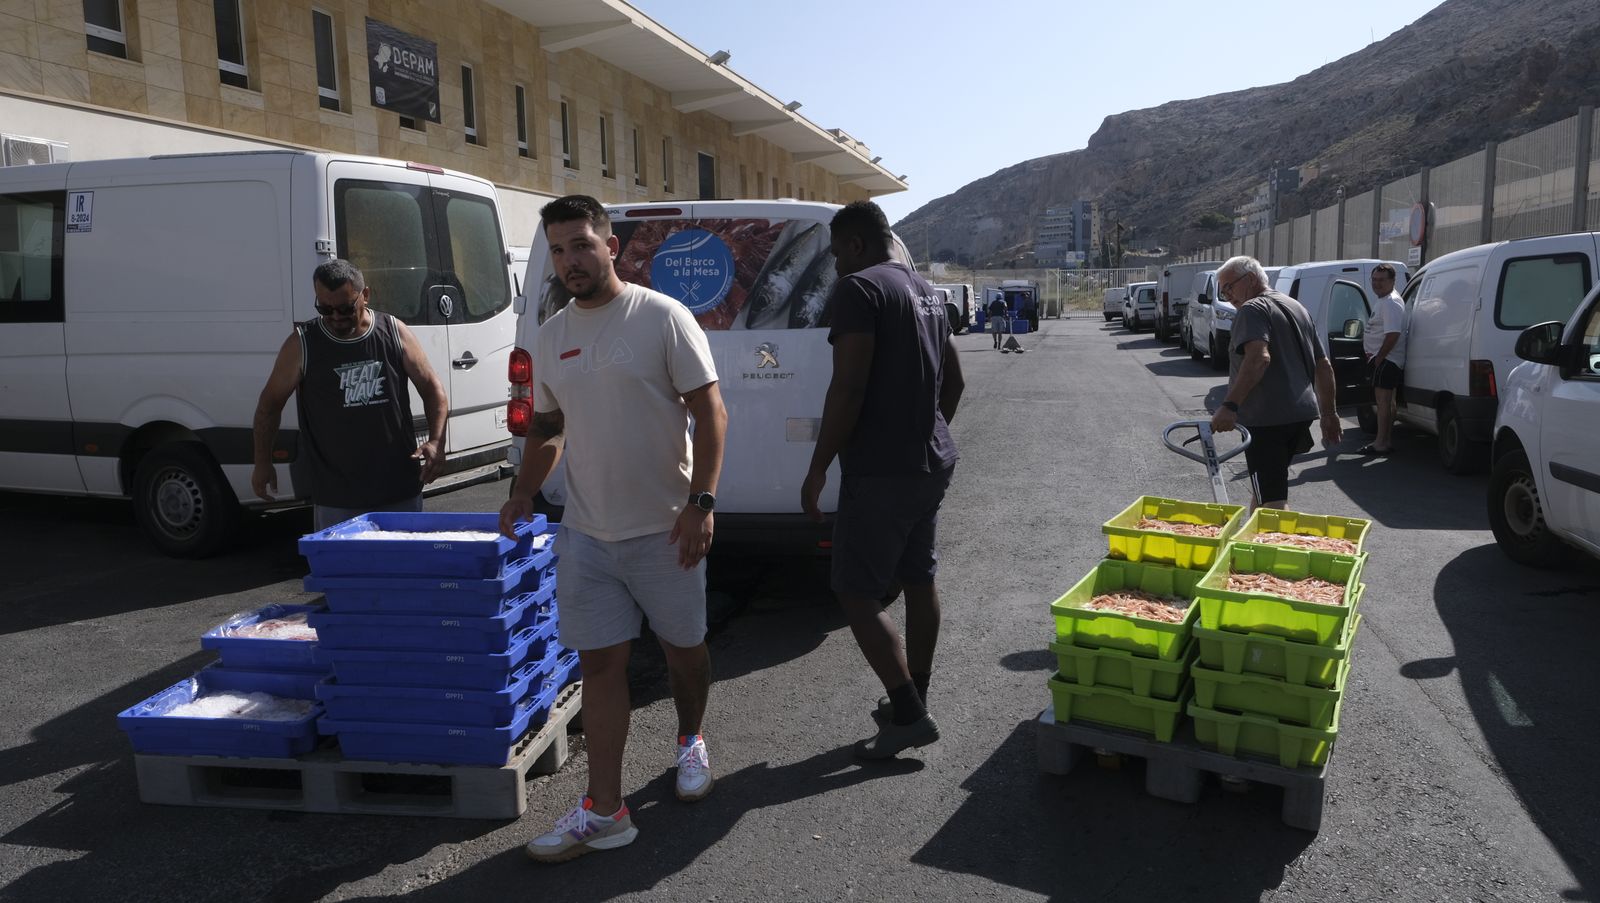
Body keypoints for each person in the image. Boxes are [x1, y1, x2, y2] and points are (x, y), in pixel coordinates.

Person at [499, 195, 726, 863]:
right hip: (588, 534)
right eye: (560, 249)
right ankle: (606, 810)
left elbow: (710, 413)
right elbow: (546, 429)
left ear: (611, 246)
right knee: (600, 664)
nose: (570, 260)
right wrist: (522, 491)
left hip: (665, 529)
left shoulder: (661, 317)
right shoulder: (549, 336)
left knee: (684, 650)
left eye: (581, 244)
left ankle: (690, 738)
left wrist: (701, 503)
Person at [801, 200, 964, 759]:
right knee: (919, 578)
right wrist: (926, 430)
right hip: (930, 462)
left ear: (853, 244)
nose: (836, 266)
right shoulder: (925, 290)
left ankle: (910, 714)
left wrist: (819, 464)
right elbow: (956, 382)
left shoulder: (860, 290)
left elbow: (846, 388)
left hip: (882, 470)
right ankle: (912, 697)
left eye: (835, 253)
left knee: (854, 591)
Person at [251, 259, 447, 530]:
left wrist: (437, 441)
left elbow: (432, 388)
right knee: (345, 571)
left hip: (398, 488)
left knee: (401, 570)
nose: (335, 317)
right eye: (325, 308)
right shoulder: (302, 344)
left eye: (345, 308)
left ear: (365, 295)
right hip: (337, 497)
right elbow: (269, 406)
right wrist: (262, 462)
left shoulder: (393, 331)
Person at [1209, 256, 1342, 510]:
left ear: (1249, 279)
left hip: (1267, 419)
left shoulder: (1252, 309)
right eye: (1223, 291)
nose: (1227, 297)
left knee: (1273, 503)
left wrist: (1230, 405)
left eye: (1229, 287)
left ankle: (1280, 547)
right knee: (1264, 490)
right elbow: (1323, 365)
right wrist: (1329, 413)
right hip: (1298, 416)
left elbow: (1259, 358)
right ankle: (1252, 545)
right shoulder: (1296, 306)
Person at [1360, 264, 1405, 455]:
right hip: (1385, 360)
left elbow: (1393, 334)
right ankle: (1384, 440)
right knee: (1388, 402)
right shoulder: (1385, 300)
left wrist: (1379, 357)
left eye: (1381, 280)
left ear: (1392, 281)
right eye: (1374, 280)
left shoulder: (1390, 303)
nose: (1377, 284)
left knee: (1384, 402)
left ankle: (1381, 442)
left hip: (1387, 361)